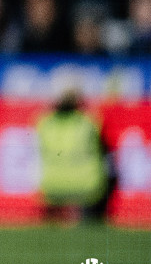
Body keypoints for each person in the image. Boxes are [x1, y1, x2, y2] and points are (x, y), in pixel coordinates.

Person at [36, 89, 110, 223]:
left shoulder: (45, 123)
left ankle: (55, 221)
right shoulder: (89, 122)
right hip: (87, 187)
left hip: (52, 185)